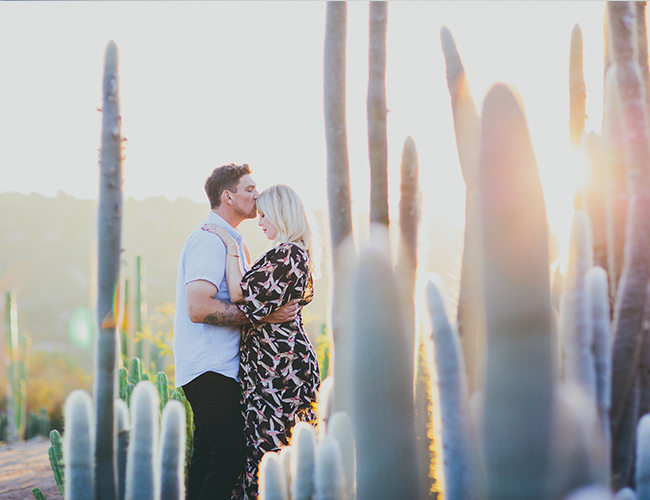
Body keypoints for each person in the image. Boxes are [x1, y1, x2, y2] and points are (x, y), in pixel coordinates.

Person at [173, 164, 299, 500]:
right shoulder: (208, 241)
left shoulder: (231, 241)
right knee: (229, 457)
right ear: (228, 197)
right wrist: (263, 318)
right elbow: (198, 307)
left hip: (219, 368)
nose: (256, 195)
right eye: (249, 189)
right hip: (209, 367)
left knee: (207, 457)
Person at [202, 184, 321, 500]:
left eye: (265, 214)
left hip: (279, 371)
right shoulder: (293, 253)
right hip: (276, 366)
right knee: (278, 454)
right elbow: (260, 304)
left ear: (282, 215)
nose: (260, 221)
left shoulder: (287, 254)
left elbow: (242, 296)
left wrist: (229, 243)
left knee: (269, 456)